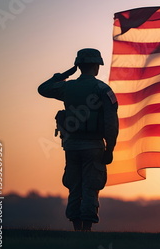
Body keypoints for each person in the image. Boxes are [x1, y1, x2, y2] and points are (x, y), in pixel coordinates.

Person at [38, 48, 119, 231]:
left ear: (79, 66)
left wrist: (62, 75)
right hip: (93, 146)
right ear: (97, 66)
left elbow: (43, 89)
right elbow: (110, 122)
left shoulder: (68, 87)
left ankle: (76, 228)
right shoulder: (103, 89)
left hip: (72, 145)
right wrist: (110, 148)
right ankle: (86, 230)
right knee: (91, 187)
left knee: (74, 187)